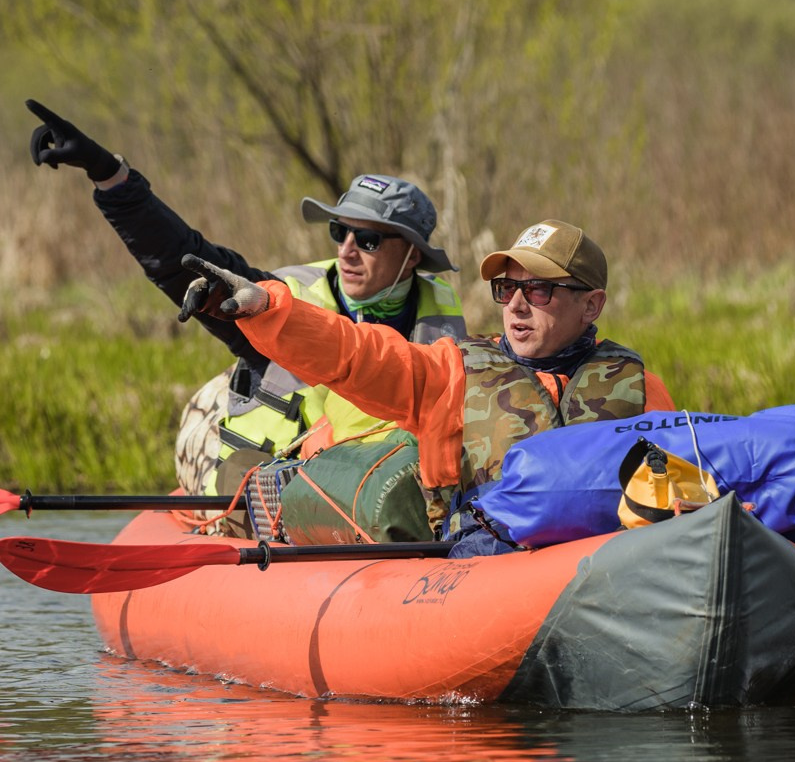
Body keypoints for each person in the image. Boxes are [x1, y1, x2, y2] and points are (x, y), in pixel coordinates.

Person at [24, 100, 466, 489]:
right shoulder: (276, 299)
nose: (347, 249)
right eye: (339, 231)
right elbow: (180, 256)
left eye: (368, 240)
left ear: (412, 258)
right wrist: (108, 175)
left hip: (376, 484)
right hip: (264, 478)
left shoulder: (443, 322)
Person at [175, 215, 672, 528]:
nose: (517, 305)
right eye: (507, 288)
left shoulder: (637, 385)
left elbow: (676, 483)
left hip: (593, 561)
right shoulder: (450, 371)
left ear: (592, 305)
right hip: (480, 561)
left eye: (539, 290)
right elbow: (355, 353)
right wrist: (265, 306)